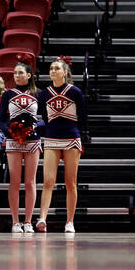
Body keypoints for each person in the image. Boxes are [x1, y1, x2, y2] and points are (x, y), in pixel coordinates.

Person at [35, 57, 87, 233]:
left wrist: (79, 136)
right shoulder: (44, 94)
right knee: (48, 181)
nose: (53, 71)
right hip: (52, 138)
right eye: (51, 68)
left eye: (57, 68)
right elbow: (43, 116)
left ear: (65, 72)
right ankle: (42, 218)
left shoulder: (75, 92)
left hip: (71, 138)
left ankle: (70, 221)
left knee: (70, 182)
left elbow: (83, 117)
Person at [0, 61, 43, 233]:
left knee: (30, 182)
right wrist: (12, 130)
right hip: (13, 140)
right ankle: (16, 221)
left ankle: (29, 221)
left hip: (33, 140)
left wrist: (34, 128)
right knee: (15, 181)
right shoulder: (7, 95)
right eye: (15, 73)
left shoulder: (39, 93)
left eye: (20, 72)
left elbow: (46, 118)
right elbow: (0, 121)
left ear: (29, 75)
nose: (16, 75)